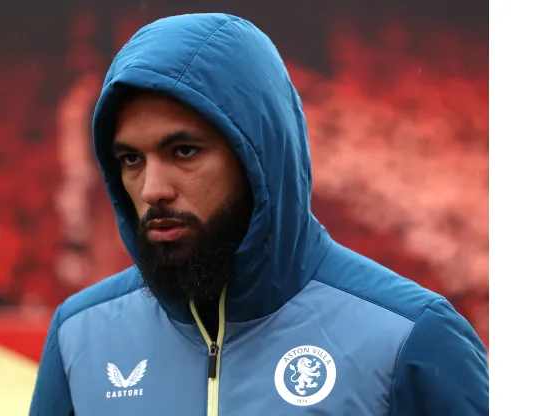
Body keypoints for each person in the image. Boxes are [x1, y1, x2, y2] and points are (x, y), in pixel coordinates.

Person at [29, 13, 489, 416]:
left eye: (184, 151)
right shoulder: (80, 334)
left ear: (257, 158)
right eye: (131, 159)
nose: (153, 190)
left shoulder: (410, 338)